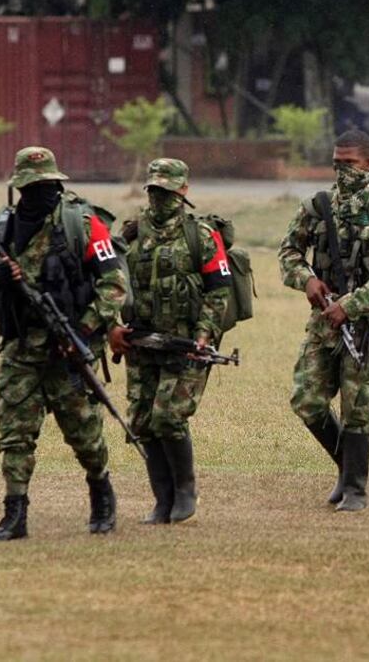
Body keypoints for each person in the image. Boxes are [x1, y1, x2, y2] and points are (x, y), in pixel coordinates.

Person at [0, 146, 127, 540]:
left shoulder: (83, 223)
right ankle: (14, 513)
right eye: (31, 186)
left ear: (56, 183)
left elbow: (113, 286)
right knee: (15, 431)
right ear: (19, 186)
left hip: (69, 349)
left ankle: (101, 493)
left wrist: (85, 331)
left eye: (45, 185)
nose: (38, 193)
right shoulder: (2, 227)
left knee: (84, 430)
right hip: (19, 348)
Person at [278, 129, 369, 512]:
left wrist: (351, 306)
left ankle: (355, 488)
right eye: (336, 164)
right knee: (307, 399)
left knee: (358, 404)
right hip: (324, 321)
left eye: (349, 164)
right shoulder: (317, 207)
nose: (342, 172)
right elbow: (288, 253)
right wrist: (307, 280)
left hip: (366, 325)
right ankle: (345, 466)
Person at [108, 159, 232, 523]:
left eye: (168, 191)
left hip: (185, 345)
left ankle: (184, 492)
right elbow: (108, 284)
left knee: (169, 417)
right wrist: (112, 329)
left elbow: (218, 291)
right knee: (143, 420)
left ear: (183, 192)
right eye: (154, 190)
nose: (160, 198)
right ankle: (162, 499)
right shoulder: (131, 234)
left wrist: (203, 334)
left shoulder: (201, 236)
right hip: (141, 344)